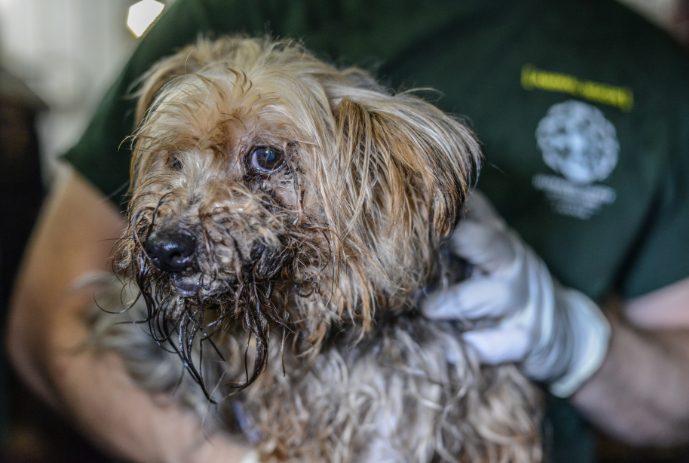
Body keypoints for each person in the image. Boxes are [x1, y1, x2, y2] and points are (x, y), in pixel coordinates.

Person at [7, 0, 689, 461]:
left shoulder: (651, 72)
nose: (176, 218)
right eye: (175, 163)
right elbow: (50, 323)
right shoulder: (220, 11)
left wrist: (576, 341)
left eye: (264, 160)